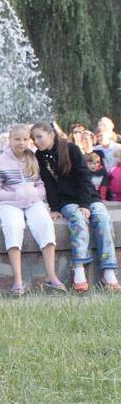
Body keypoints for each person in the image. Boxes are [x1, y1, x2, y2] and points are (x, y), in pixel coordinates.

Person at [30, 122, 121, 292]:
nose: (36, 141)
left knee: (102, 217)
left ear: (51, 135)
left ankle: (108, 271)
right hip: (67, 201)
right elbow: (49, 183)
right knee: (78, 219)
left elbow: (84, 176)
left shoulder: (70, 149)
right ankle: (79, 268)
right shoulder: (40, 155)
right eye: (33, 138)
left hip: (88, 197)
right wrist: (54, 207)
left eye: (39, 137)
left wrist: (85, 204)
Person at [0, 125, 66, 296]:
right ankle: (18, 281)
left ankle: (51, 276)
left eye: (25, 139)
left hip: (32, 201)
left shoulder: (32, 157)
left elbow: (40, 184)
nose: (21, 143)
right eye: (17, 139)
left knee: (45, 224)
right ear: (10, 140)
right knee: (13, 226)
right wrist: (15, 195)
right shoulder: (1, 161)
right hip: (9, 202)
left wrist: (35, 194)